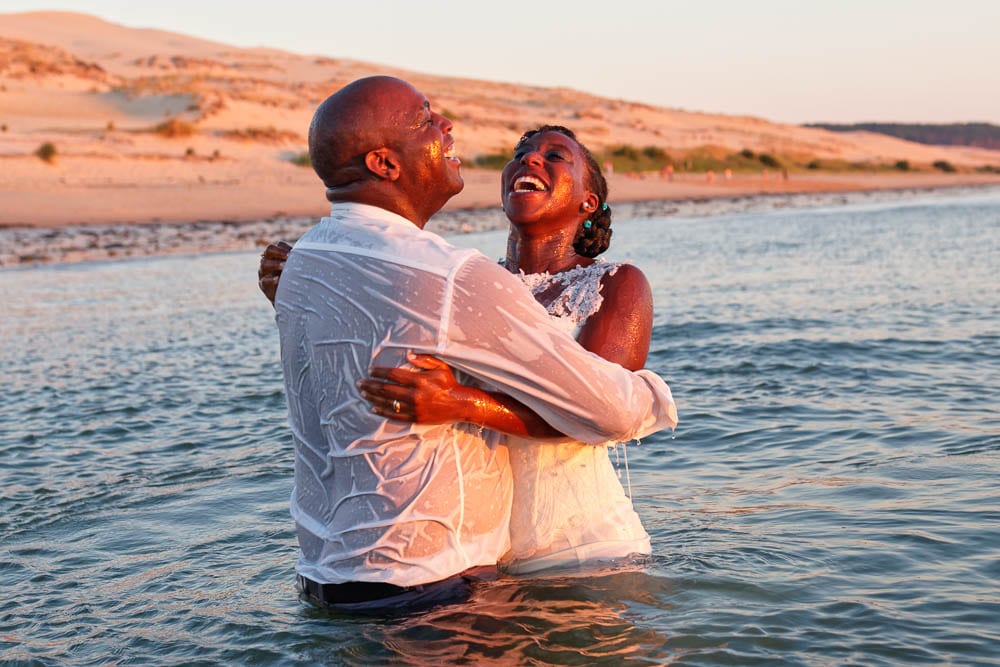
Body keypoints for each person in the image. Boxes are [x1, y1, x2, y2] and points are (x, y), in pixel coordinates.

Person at [266, 76, 678, 613]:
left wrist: (464, 405)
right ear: (386, 164)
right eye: (523, 152)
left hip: (573, 537)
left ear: (588, 201)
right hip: (482, 557)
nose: (531, 161)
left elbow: (593, 416)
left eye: (556, 157)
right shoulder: (456, 279)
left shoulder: (611, 282)